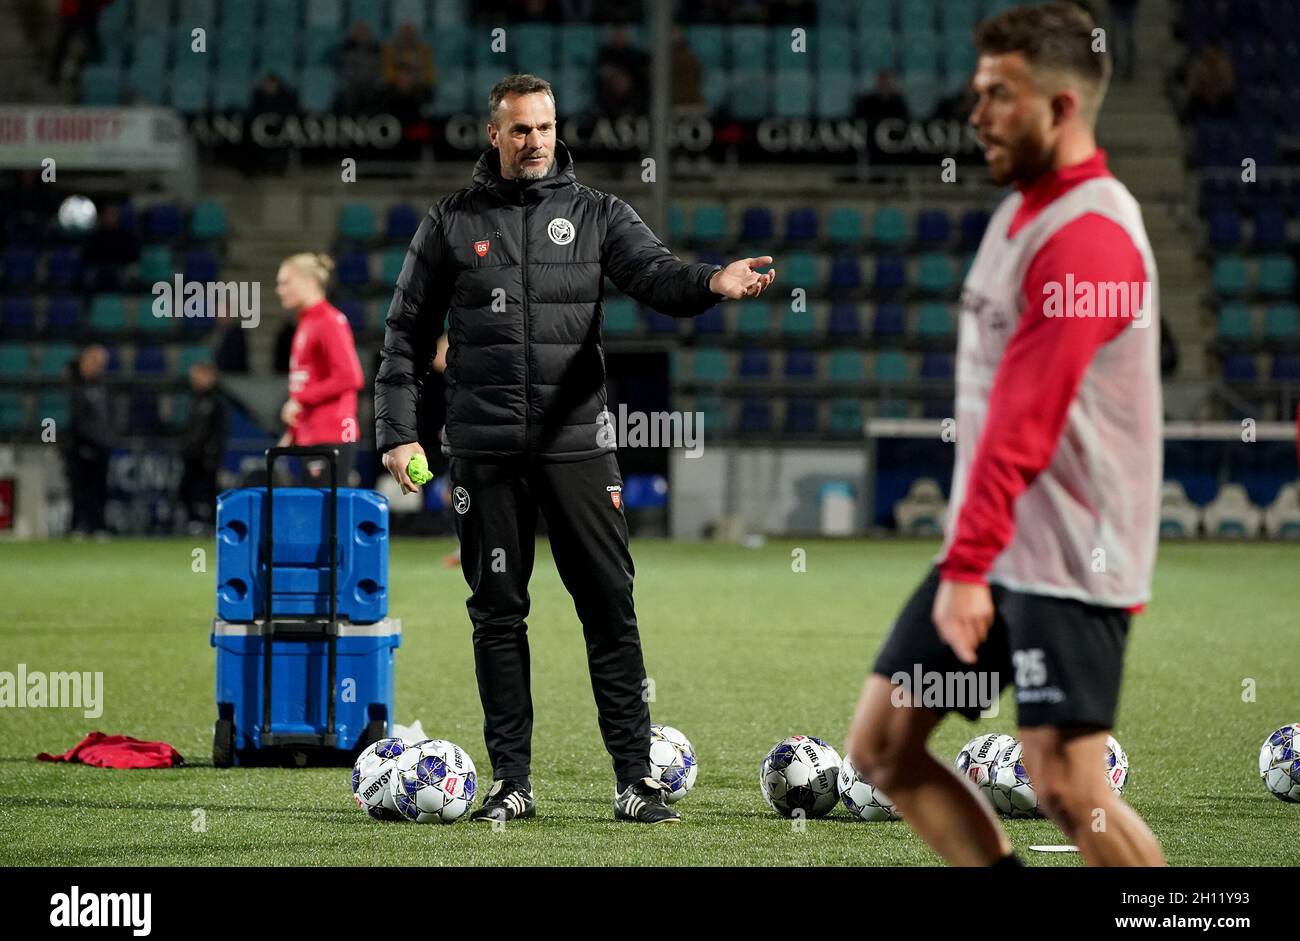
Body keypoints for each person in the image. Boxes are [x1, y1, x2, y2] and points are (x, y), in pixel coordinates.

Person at [374, 74, 775, 824]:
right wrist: (399, 433)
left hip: (578, 447)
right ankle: (511, 784)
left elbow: (657, 276)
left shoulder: (596, 214)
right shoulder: (450, 222)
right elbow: (403, 334)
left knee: (609, 608)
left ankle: (634, 781)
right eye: (520, 129)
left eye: (546, 127)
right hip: (486, 452)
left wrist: (712, 281)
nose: (535, 142)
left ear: (560, 129)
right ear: (493, 134)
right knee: (498, 614)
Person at [845, 2, 1165, 867]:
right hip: (1001, 541)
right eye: (977, 92)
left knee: (1067, 784)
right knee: (882, 748)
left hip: (1069, 554)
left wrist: (967, 563)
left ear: (1061, 108)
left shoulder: (1088, 237)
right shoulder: (1024, 210)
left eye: (999, 95)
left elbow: (1026, 422)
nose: (975, 113)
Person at [275, 253, 365, 486]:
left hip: (332, 434)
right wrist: (294, 429)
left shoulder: (329, 321)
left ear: (310, 282)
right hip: (312, 435)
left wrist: (300, 400)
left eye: (286, 282)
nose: (279, 290)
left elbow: (350, 377)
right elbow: (309, 380)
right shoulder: (307, 323)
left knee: (329, 517)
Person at [66, 344, 114, 537]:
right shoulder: (73, 385)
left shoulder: (104, 388)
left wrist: (108, 439)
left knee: (99, 488)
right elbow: (76, 420)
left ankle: (98, 524)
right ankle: (79, 525)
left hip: (101, 446)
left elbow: (109, 417)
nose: (99, 367)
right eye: (95, 362)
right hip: (80, 446)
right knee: (80, 488)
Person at [177, 362, 228, 533]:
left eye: (199, 376)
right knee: (186, 489)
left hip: (207, 454)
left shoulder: (217, 401)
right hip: (192, 453)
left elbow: (220, 430)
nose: (195, 380)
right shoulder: (193, 400)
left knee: (210, 489)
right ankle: (194, 520)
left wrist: (213, 451)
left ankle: (213, 522)